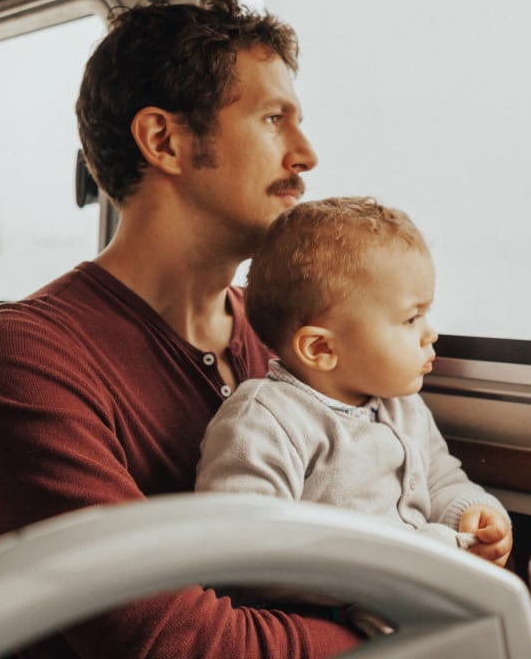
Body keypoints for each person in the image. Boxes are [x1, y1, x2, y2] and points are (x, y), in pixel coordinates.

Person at [0, 0, 363, 658]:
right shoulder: (17, 358)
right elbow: (173, 645)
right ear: (164, 141)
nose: (306, 154)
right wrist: (387, 627)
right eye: (273, 119)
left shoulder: (297, 333)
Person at [196, 197, 513, 567]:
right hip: (322, 610)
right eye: (411, 319)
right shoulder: (264, 421)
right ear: (321, 348)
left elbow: (441, 479)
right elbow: (243, 546)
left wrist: (470, 512)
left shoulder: (401, 406)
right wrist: (424, 547)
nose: (431, 333)